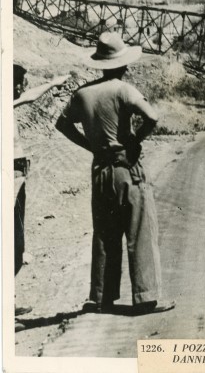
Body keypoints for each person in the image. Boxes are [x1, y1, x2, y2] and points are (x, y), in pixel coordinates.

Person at [55, 33, 175, 315]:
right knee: (139, 230)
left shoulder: (82, 94)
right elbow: (152, 117)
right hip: (126, 167)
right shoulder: (124, 90)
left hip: (100, 169)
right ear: (122, 64)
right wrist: (134, 141)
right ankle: (145, 296)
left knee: (104, 234)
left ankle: (101, 297)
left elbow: (62, 124)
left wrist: (90, 146)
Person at [14, 64, 70, 332]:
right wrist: (53, 83)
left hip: (17, 175)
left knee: (16, 242)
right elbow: (29, 96)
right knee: (12, 243)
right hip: (10, 177)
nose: (22, 87)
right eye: (18, 81)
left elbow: (27, 95)